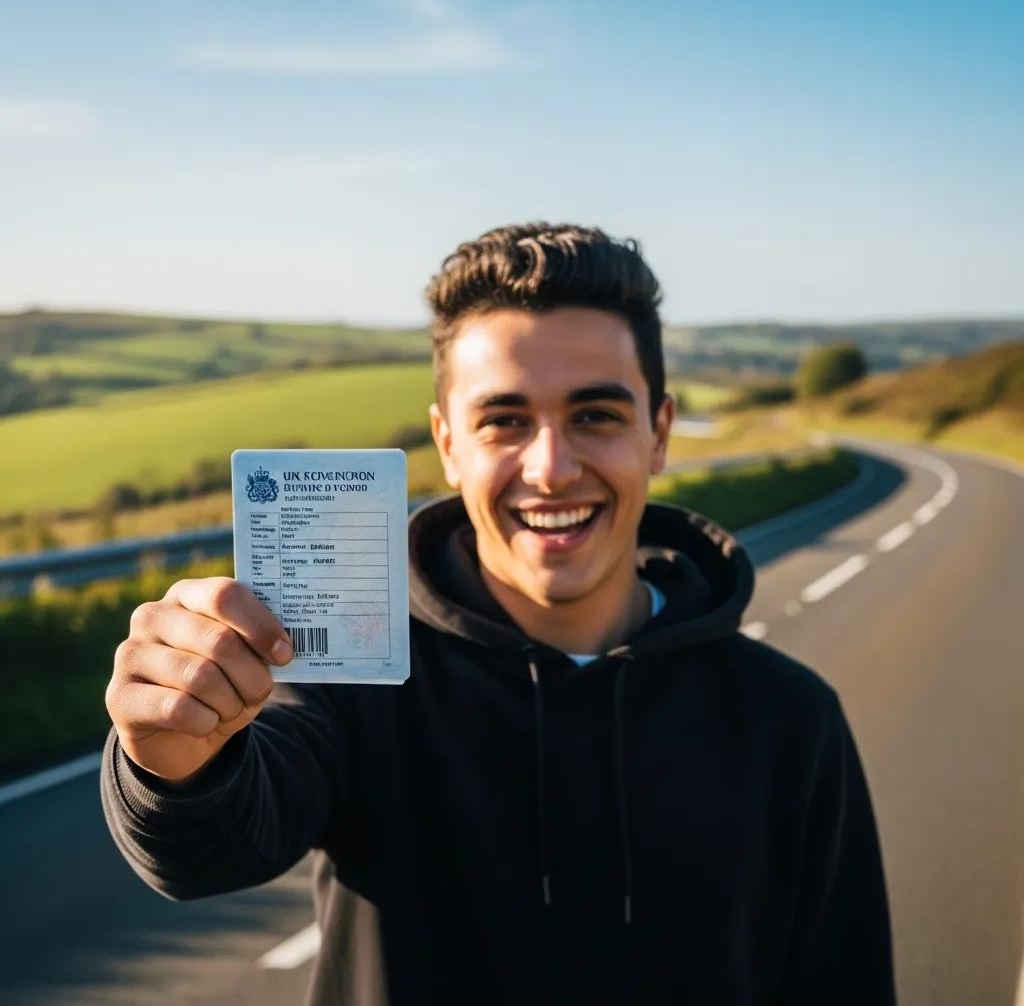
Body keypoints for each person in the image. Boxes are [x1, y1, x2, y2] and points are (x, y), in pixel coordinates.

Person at [101, 222, 897, 1005]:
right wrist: (172, 756)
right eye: (505, 421)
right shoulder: (354, 676)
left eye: (596, 415)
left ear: (659, 432)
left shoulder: (791, 720)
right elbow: (205, 850)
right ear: (448, 444)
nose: (550, 468)